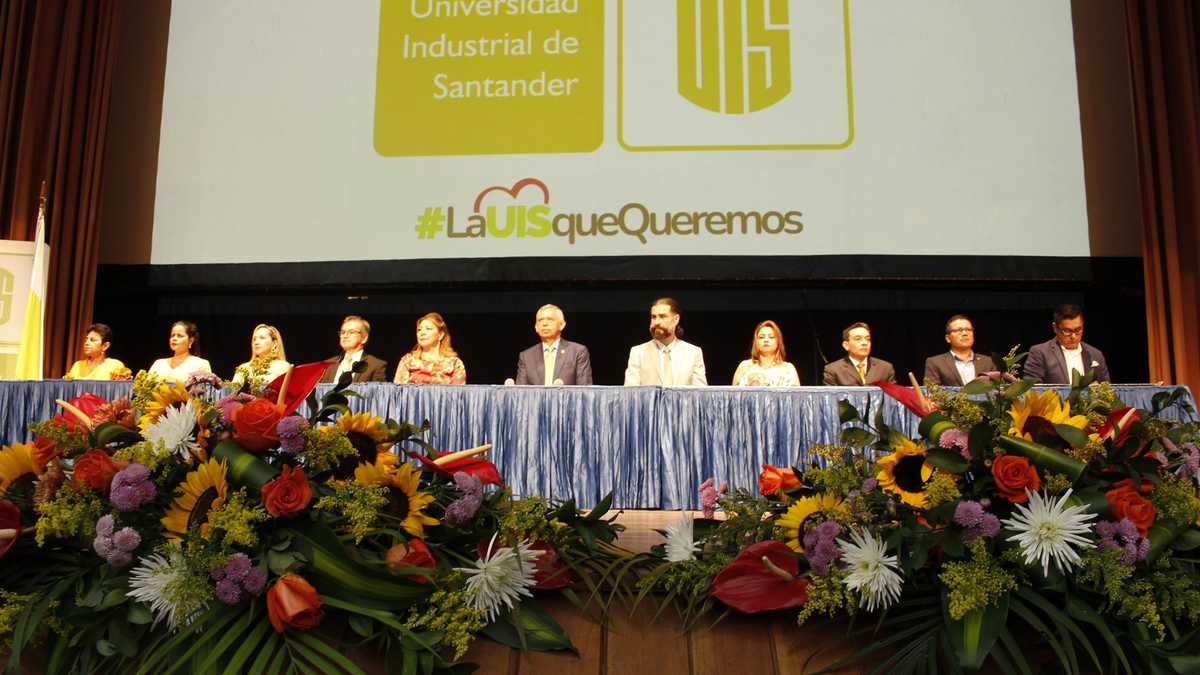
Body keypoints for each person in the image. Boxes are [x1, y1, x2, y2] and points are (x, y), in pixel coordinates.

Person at [624, 298, 707, 386]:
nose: (656, 322)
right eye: (653, 317)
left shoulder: (693, 352)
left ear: (676, 319)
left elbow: (700, 394)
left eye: (662, 316)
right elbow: (630, 394)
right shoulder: (638, 352)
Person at [1024, 304, 1111, 383]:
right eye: (1067, 331)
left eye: (1078, 330)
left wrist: (1098, 390)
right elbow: (1032, 389)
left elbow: (1108, 390)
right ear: (1055, 328)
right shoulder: (1040, 353)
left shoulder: (1095, 355)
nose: (1073, 336)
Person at [514, 304, 593, 385]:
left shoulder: (578, 352)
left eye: (550, 319)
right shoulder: (526, 356)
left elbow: (584, 391)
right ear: (536, 327)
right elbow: (520, 393)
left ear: (562, 325)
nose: (544, 323)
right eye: (540, 320)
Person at [393, 312, 467, 384]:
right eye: (419, 330)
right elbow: (399, 392)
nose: (422, 333)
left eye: (428, 329)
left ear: (440, 335)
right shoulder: (408, 361)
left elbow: (457, 393)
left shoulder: (454, 363)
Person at [923, 315, 997, 386]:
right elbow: (931, 393)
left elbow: (997, 390)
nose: (965, 333)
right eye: (959, 330)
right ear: (948, 338)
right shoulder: (935, 362)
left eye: (968, 330)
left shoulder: (988, 362)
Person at [319, 315, 389, 383]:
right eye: (343, 332)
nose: (345, 336)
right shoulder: (327, 365)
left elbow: (379, 393)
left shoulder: (375, 365)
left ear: (364, 338)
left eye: (351, 332)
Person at [822, 322, 896, 386]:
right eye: (858, 339)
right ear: (846, 345)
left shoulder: (885, 368)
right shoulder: (833, 370)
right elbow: (830, 399)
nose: (864, 343)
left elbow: (894, 398)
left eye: (868, 339)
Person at [732, 320, 801, 386]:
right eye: (761, 337)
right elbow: (732, 395)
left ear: (778, 342)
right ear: (756, 342)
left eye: (771, 337)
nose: (766, 340)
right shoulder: (744, 367)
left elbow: (797, 396)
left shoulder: (788, 369)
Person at [148, 321, 212, 382]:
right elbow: (145, 390)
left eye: (179, 336)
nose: (174, 338)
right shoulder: (159, 363)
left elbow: (206, 390)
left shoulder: (201, 364)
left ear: (191, 341)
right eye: (172, 335)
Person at [64, 323, 129, 380]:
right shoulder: (77, 366)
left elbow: (121, 392)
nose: (86, 343)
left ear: (105, 346)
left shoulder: (115, 365)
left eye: (92, 340)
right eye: (86, 339)